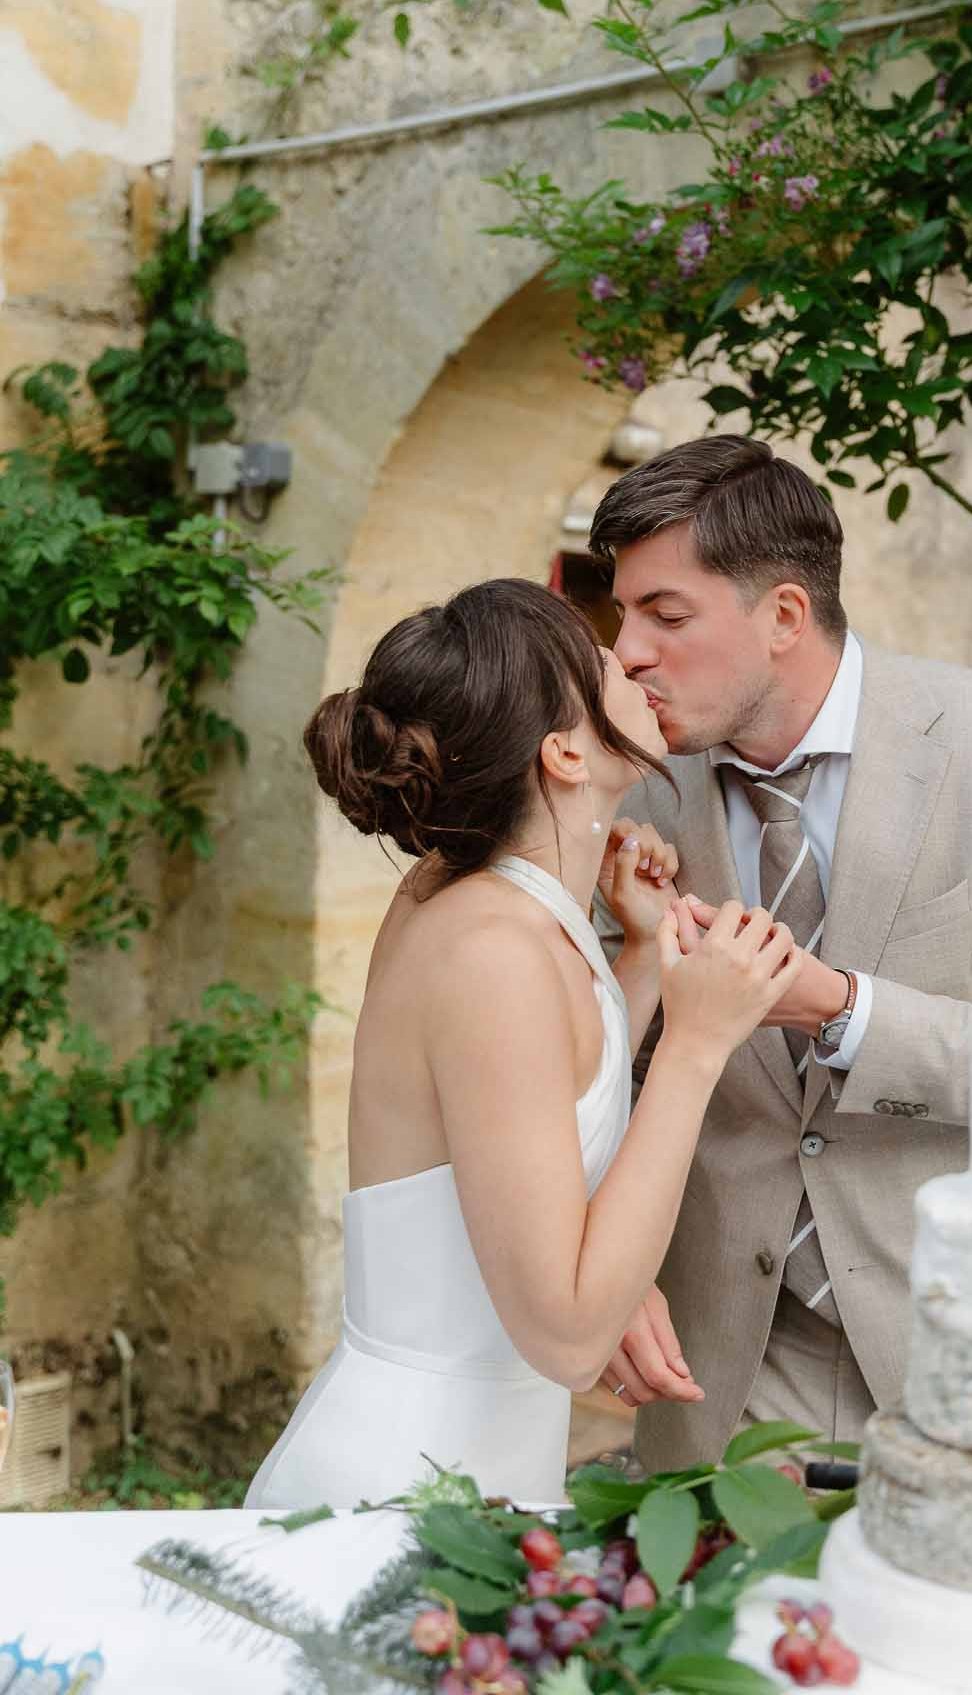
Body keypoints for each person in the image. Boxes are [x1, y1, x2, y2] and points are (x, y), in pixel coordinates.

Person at [591, 436, 972, 1471]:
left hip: (963, 1361)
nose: (626, 651)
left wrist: (839, 1005)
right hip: (716, 1376)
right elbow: (586, 1070)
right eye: (623, 613)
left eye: (664, 615)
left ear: (786, 615)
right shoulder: (628, 784)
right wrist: (607, 1269)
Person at [245, 578, 802, 1510]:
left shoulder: (465, 895)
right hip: (405, 1491)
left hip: (475, 1469)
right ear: (564, 755)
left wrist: (639, 957)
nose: (628, 658)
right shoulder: (494, 951)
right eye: (598, 663)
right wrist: (695, 1047)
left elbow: (545, 1094)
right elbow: (572, 1336)